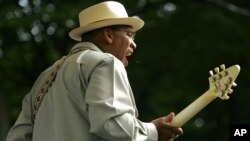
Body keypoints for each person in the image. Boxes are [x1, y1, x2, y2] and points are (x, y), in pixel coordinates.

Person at [6, 1, 183, 141]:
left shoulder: (44, 78)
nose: (134, 44)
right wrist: (152, 132)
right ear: (108, 35)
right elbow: (110, 123)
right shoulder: (106, 63)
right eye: (129, 35)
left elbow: (17, 137)